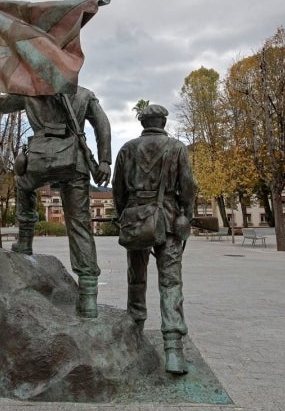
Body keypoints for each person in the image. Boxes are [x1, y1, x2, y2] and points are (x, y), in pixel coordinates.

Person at [0, 87, 112, 318]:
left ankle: (25, 242)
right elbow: (103, 125)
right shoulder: (83, 94)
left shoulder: (31, 92)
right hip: (74, 162)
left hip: (39, 160)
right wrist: (104, 160)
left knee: (23, 184)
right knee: (79, 225)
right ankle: (88, 298)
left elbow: (2, 105)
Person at [112, 104, 197, 375]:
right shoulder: (177, 148)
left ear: (143, 122)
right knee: (171, 283)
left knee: (136, 279)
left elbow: (118, 190)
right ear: (162, 121)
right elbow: (188, 187)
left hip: (137, 219)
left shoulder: (127, 149)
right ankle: (173, 351)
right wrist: (187, 216)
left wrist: (125, 216)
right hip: (170, 223)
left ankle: (134, 333)